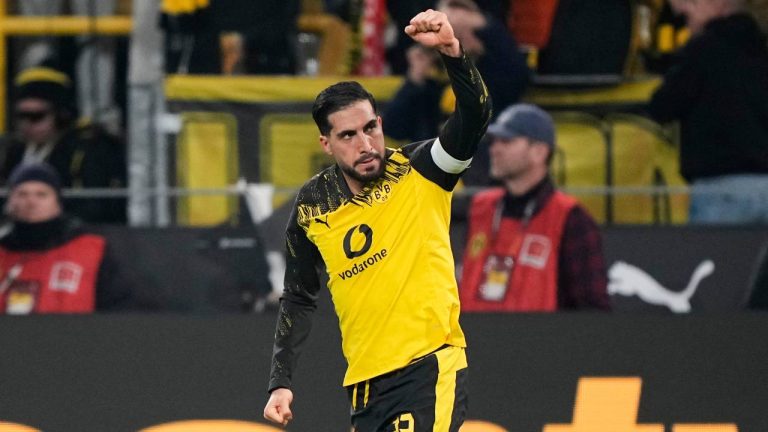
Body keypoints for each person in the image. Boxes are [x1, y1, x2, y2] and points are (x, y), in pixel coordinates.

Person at [263, 9, 491, 431]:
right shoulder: (313, 205)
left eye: (371, 128)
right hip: (365, 387)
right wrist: (281, 383)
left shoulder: (423, 169)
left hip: (428, 368)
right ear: (326, 144)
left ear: (381, 123)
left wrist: (451, 51)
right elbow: (298, 296)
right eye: (348, 135)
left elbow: (475, 117)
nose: (366, 144)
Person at [459, 103, 611, 311]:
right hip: (473, 331)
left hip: (540, 332)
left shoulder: (570, 218)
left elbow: (593, 312)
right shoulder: (480, 208)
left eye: (507, 141)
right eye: (494, 141)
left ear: (539, 152)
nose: (494, 149)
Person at [383, 0, 529, 187]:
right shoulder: (427, 86)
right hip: (431, 177)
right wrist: (414, 79)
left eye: (458, 35)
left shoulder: (493, 76)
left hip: (478, 177)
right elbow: (393, 128)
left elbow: (518, 76)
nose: (453, 43)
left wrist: (482, 26)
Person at [648, 0, 768, 224]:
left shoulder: (702, 50)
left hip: (718, 187)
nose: (681, 10)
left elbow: (662, 106)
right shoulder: (761, 49)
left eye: (691, 1)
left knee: (716, 248)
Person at [0, 66, 127, 224]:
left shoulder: (85, 150)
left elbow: (96, 206)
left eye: (36, 116)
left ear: (61, 116)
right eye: (21, 116)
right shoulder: (15, 151)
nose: (27, 124)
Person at [0, 163, 127, 314]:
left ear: (58, 202)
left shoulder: (91, 248)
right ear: (10, 202)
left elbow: (119, 305)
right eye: (22, 194)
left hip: (77, 329)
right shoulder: (3, 252)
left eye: (41, 194)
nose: (31, 202)